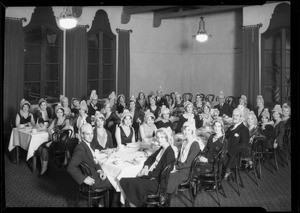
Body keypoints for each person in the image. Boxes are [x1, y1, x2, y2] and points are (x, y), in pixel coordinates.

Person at [119, 128, 175, 207]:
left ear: (167, 138)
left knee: (125, 181)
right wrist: (146, 167)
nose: (159, 139)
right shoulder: (162, 148)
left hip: (158, 183)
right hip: (153, 178)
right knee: (128, 182)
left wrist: (146, 175)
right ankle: (136, 204)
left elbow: (162, 172)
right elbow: (150, 158)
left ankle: (134, 204)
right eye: (158, 137)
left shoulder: (169, 152)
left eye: (162, 137)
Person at [67, 123, 112, 194]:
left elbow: (94, 161)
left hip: (96, 174)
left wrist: (100, 171)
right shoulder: (80, 149)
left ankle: (102, 202)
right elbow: (70, 167)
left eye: (92, 133)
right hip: (93, 179)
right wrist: (84, 179)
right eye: (88, 134)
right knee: (117, 181)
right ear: (82, 135)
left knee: (115, 177)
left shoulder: (89, 144)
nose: (91, 136)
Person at [166, 121, 201, 197]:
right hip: (181, 166)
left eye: (188, 130)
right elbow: (179, 156)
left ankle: (165, 198)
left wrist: (175, 167)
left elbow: (189, 163)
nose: (186, 132)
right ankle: (164, 195)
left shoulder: (195, 144)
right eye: (185, 129)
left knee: (169, 177)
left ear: (192, 131)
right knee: (164, 172)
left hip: (187, 171)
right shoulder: (185, 141)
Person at [37, 104, 71, 176]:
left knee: (44, 149)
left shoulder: (66, 120)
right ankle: (44, 166)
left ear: (63, 113)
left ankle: (44, 169)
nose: (59, 114)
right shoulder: (55, 120)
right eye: (57, 112)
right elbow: (49, 128)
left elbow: (67, 127)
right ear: (56, 113)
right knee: (40, 148)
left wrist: (57, 133)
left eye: (61, 112)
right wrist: (50, 134)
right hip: (54, 139)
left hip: (61, 143)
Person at [198, 118, 228, 191]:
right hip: (206, 160)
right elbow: (206, 149)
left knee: (196, 168)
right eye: (215, 126)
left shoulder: (224, 141)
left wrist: (207, 159)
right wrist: (201, 156)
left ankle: (197, 186)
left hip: (215, 165)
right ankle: (197, 184)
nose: (216, 128)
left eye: (219, 126)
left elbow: (221, 159)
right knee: (194, 162)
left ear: (222, 128)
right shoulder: (211, 136)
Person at [224, 107, 250, 180]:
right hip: (225, 150)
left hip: (233, 155)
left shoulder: (244, 129)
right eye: (233, 115)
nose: (234, 117)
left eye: (237, 115)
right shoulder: (231, 127)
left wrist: (228, 150)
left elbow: (243, 145)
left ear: (241, 117)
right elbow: (225, 137)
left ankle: (218, 178)